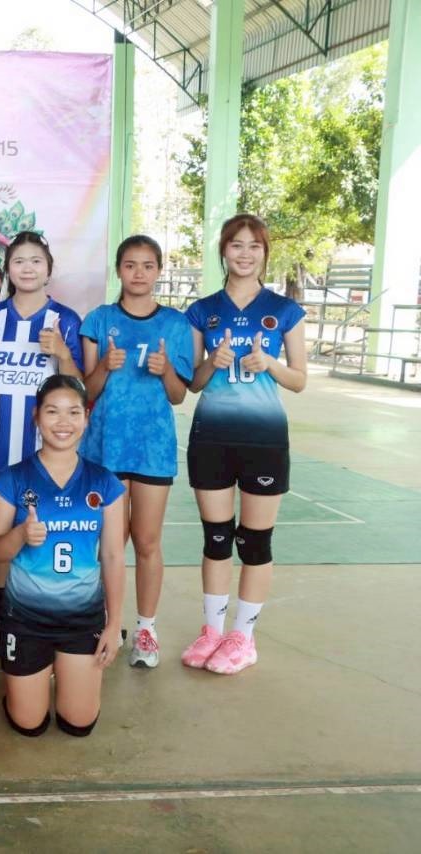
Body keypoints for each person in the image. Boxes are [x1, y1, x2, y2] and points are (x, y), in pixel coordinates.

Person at [181, 214, 307, 675]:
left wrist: (269, 363)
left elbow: (299, 380)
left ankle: (243, 638)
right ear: (223, 251)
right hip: (212, 437)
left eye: (255, 246)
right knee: (216, 538)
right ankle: (213, 631)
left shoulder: (284, 310)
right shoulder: (203, 311)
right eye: (237, 245)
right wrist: (212, 362)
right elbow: (192, 383)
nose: (245, 253)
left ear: (264, 253)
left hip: (264, 439)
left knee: (254, 543)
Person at [0, 375, 125, 737]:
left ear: (86, 418)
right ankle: (24, 683)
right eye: (52, 411)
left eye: (73, 412)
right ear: (36, 417)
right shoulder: (12, 480)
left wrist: (114, 624)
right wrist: (19, 535)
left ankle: (60, 672)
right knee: (29, 723)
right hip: (25, 618)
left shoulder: (105, 483)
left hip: (82, 619)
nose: (63, 422)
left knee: (78, 722)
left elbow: (113, 556)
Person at [80, 235, 194, 668]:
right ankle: (104, 623)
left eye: (148, 265)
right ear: (119, 270)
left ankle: (146, 629)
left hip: (152, 449)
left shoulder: (176, 324)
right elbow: (87, 391)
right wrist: (104, 368)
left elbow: (179, 395)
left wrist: (166, 372)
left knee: (146, 541)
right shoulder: (99, 319)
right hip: (105, 448)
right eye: (130, 264)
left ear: (159, 271)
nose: (139, 273)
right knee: (107, 543)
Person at [0, 232, 83, 651]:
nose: (28, 268)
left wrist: (63, 354)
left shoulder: (65, 320)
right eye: (19, 261)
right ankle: (0, 616)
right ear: (8, 270)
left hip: (44, 457)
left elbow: (78, 386)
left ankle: (43, 614)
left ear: (48, 269)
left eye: (36, 260)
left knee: (40, 534)